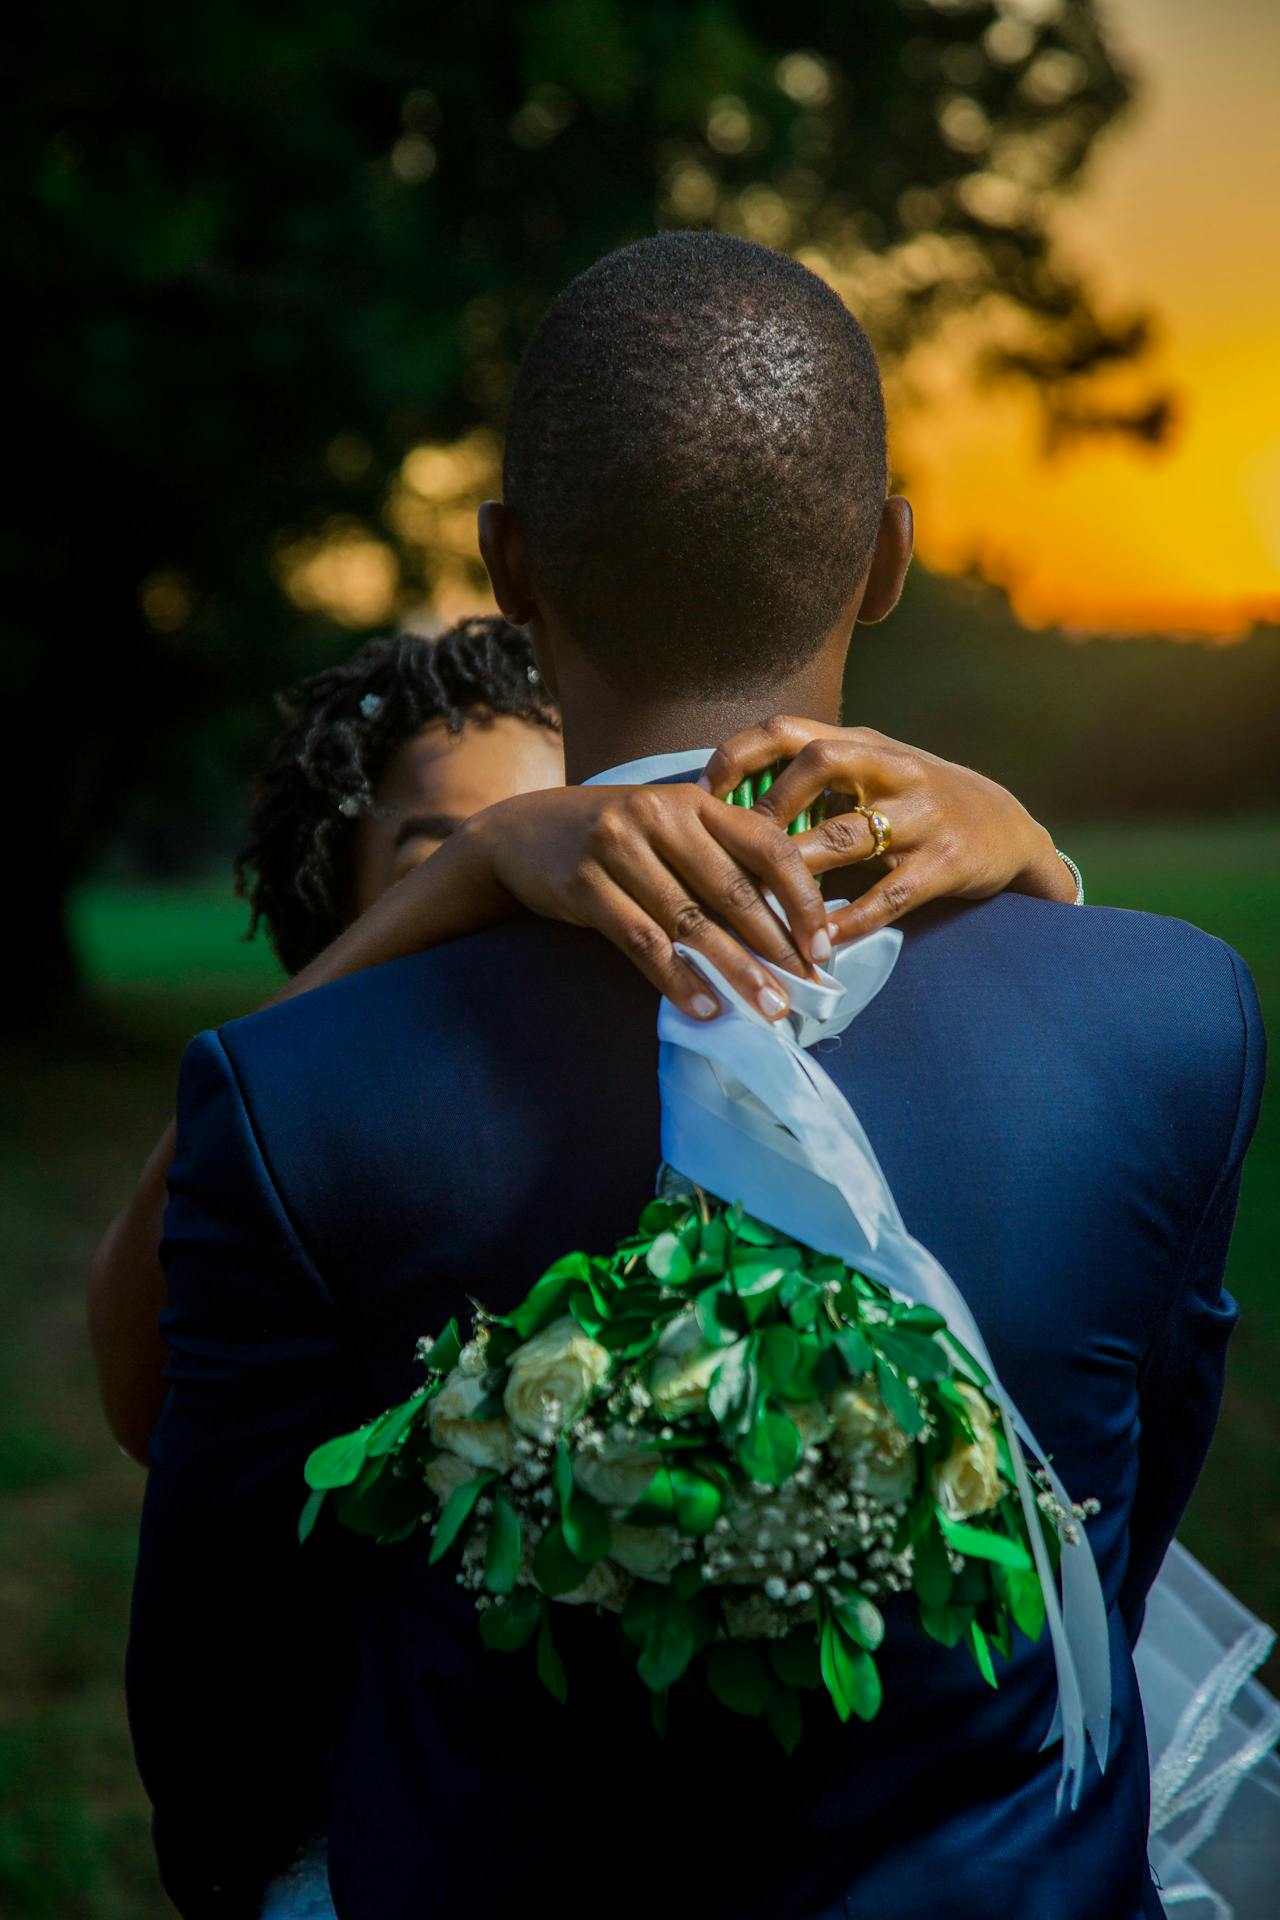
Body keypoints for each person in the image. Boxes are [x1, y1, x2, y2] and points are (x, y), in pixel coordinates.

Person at [126, 233, 1264, 1920]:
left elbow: (219, 1704)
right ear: (884, 560)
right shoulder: (1174, 1017)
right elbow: (1121, 1519)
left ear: (509, 565)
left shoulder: (303, 1099)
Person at [92, 628, 1080, 1465]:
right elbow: (143, 1397)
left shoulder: (725, 1098)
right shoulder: (314, 1133)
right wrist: (483, 862)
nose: (543, 905)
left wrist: (1035, 858)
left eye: (594, 841)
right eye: (450, 862)